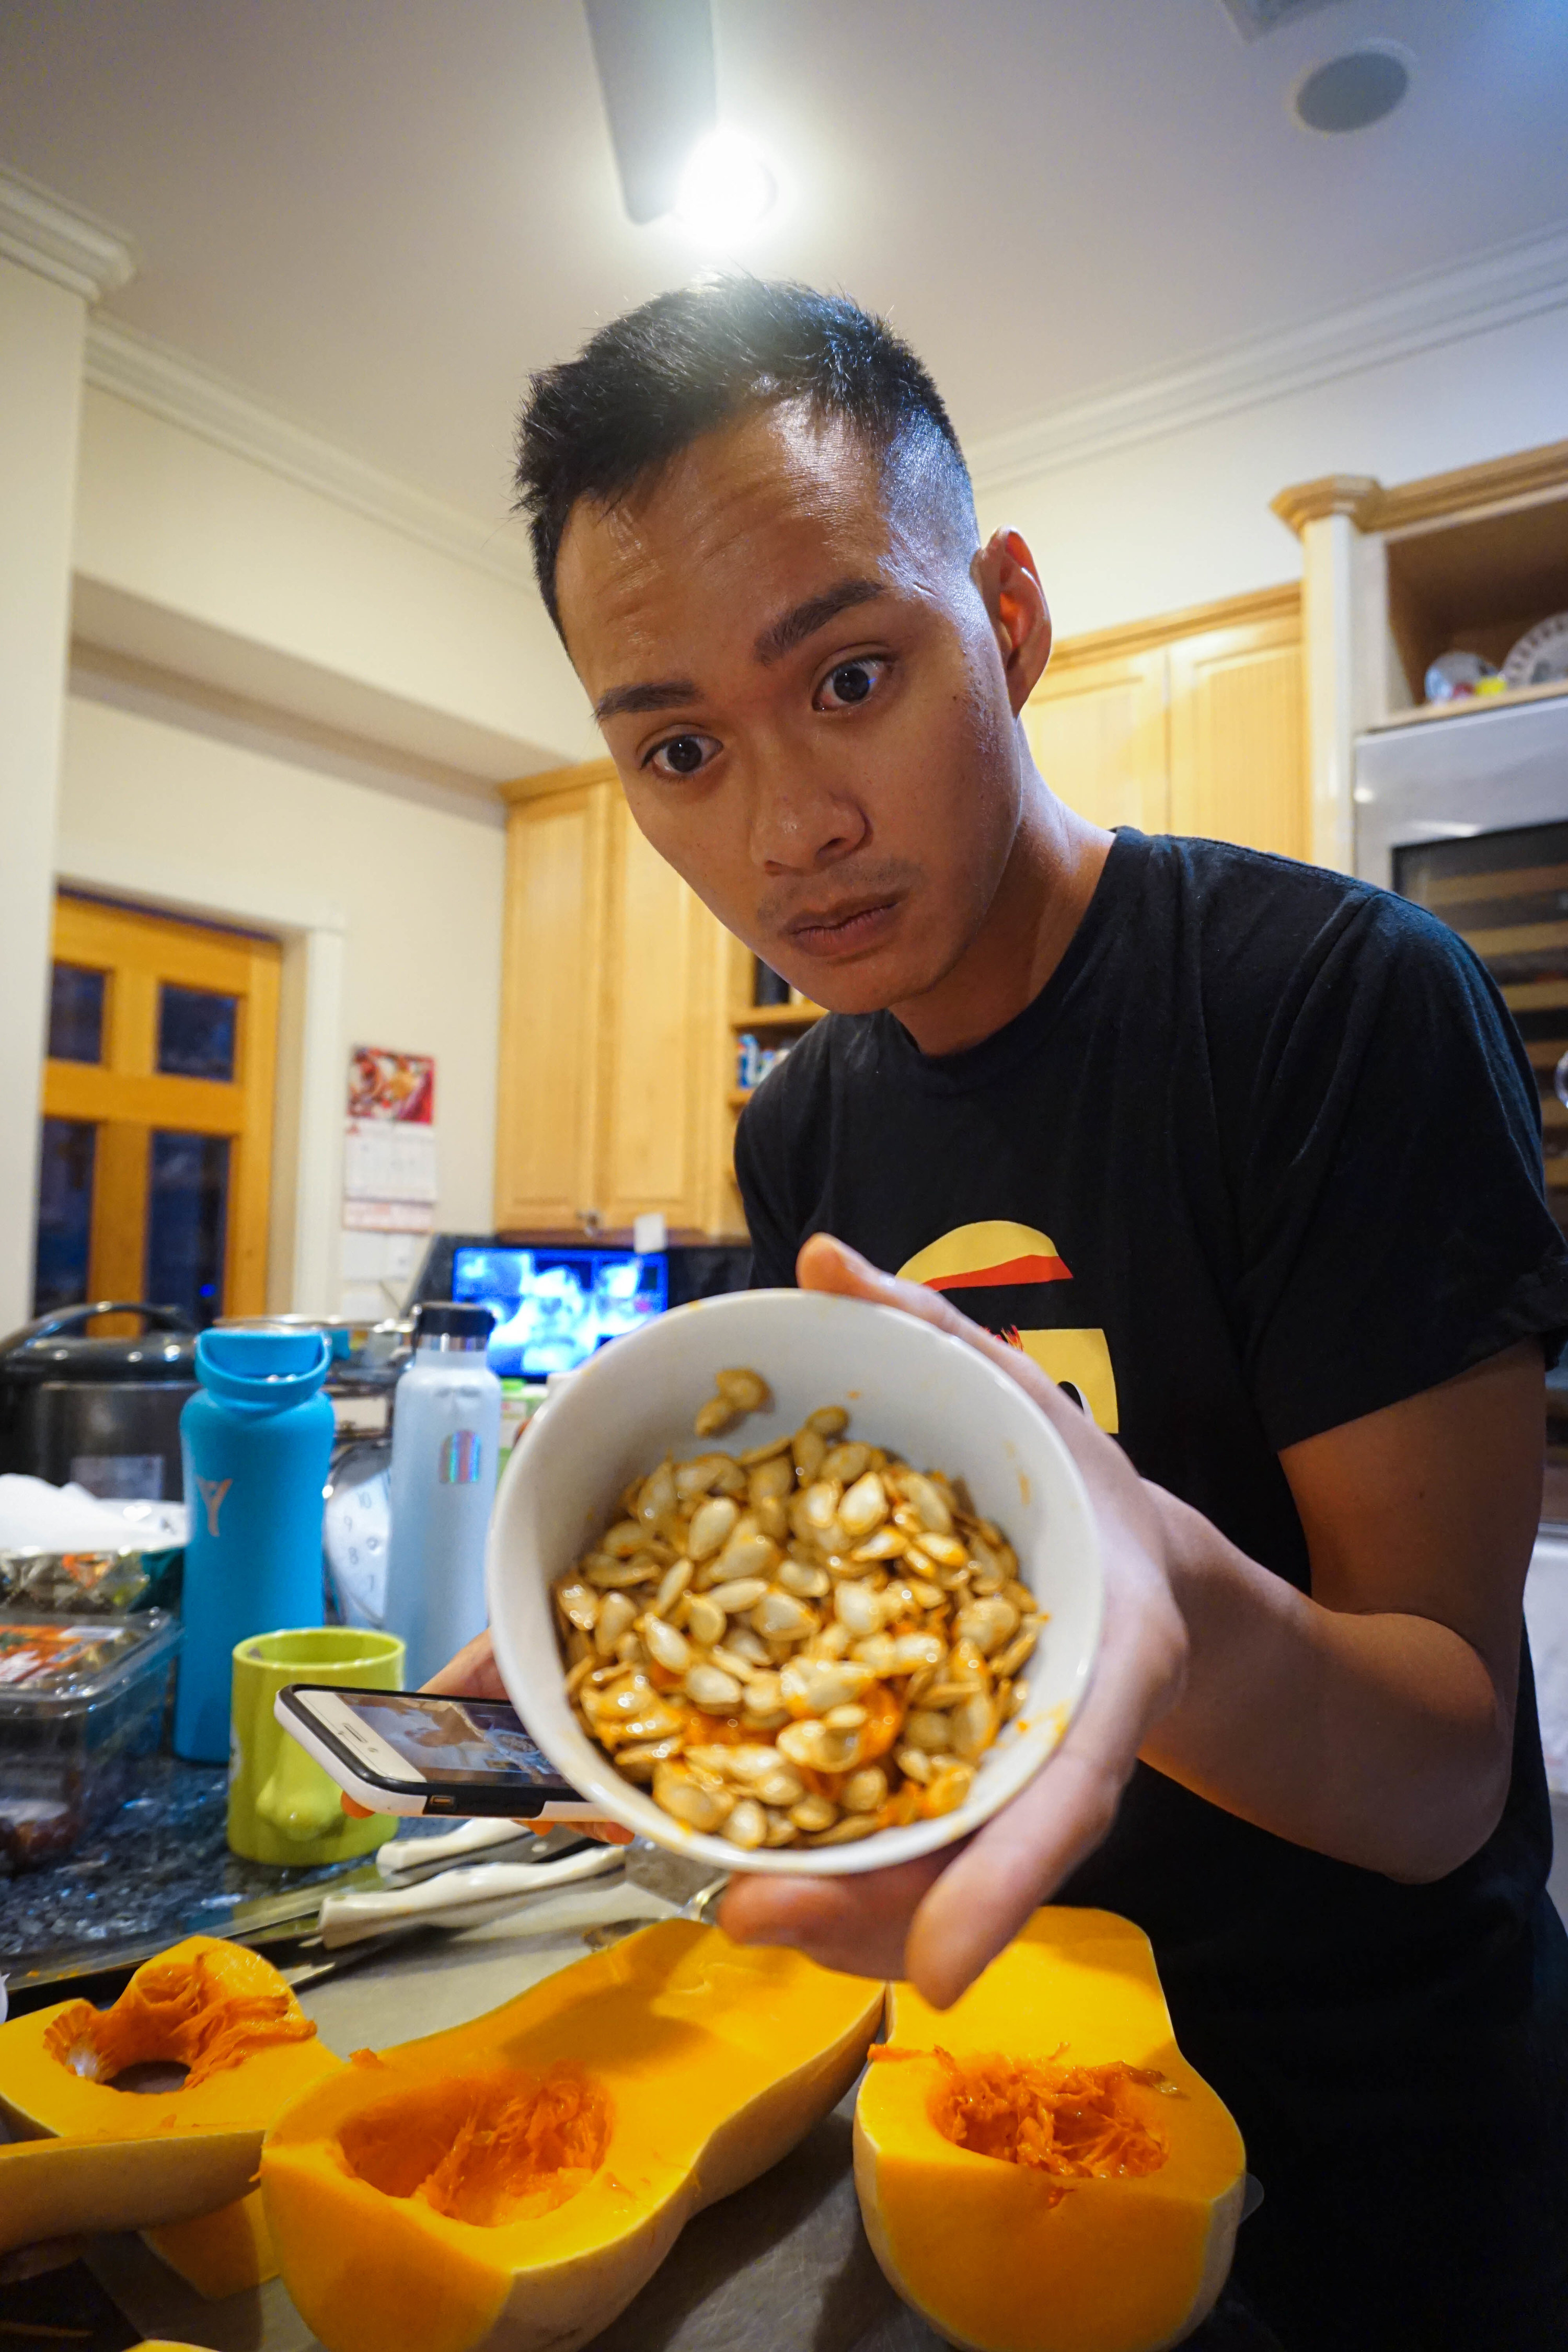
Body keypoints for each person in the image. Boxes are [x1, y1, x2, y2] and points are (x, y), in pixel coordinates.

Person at [438, 277, 1568, 2348]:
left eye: (851, 675)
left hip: (1365, 2155)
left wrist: (1167, 1594)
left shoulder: (1336, 1010)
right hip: (963, 2065)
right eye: (679, 748)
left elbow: (1439, 1774)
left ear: (1014, 621)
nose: (787, 830)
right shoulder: (809, 1127)